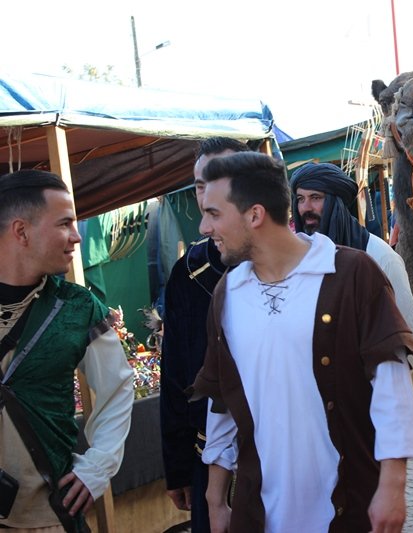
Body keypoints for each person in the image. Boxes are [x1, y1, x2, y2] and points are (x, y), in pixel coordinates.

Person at [188, 152, 413, 532]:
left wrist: (393, 485)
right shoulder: (227, 293)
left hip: (347, 507)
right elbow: (223, 401)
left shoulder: (352, 273)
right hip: (260, 514)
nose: (203, 227)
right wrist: (216, 500)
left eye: (214, 214)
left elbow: (392, 384)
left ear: (254, 215)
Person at [0, 169, 134, 531]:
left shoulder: (78, 308)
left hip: (48, 518)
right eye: (64, 224)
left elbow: (119, 389)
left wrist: (96, 469)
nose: (76, 237)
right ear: (21, 231)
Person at [159, 136, 250, 532]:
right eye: (199, 184)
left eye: (219, 179)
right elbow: (177, 372)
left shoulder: (301, 265)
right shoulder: (189, 272)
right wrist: (177, 465)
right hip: (206, 458)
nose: (206, 194)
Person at [290, 162, 413, 344]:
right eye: (300, 199)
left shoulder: (380, 257)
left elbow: (409, 332)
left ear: (335, 202)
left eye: (315, 197)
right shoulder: (295, 262)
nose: (306, 208)